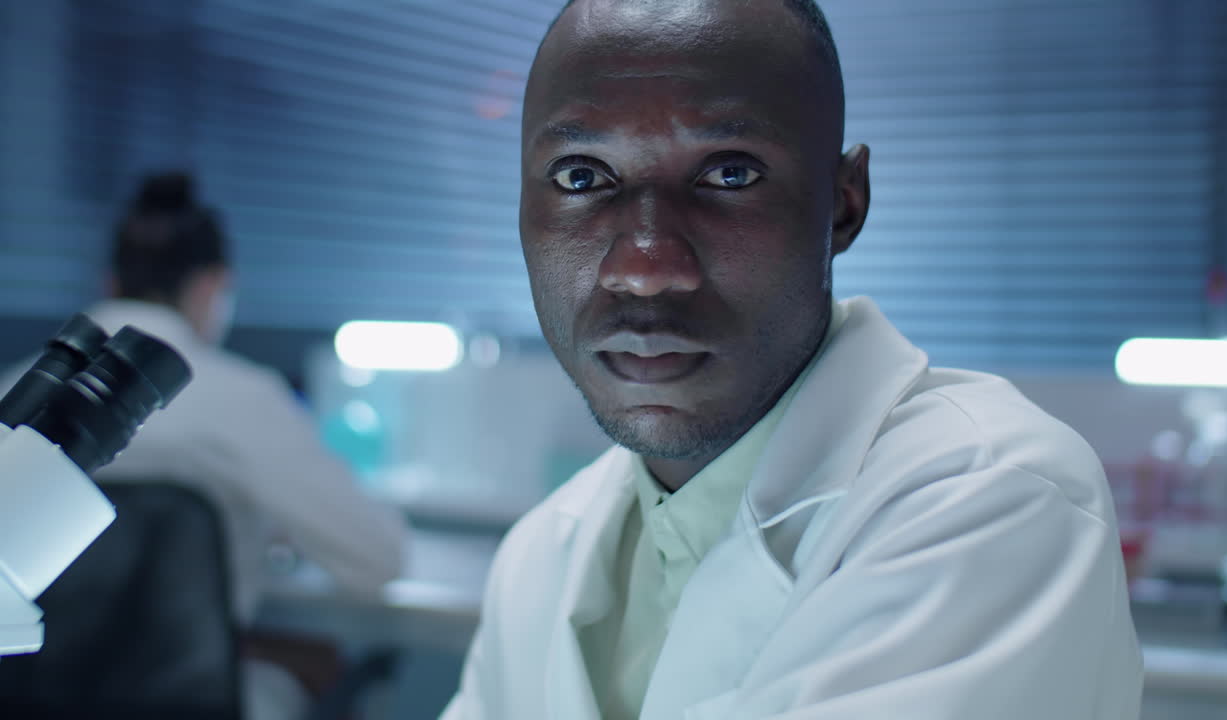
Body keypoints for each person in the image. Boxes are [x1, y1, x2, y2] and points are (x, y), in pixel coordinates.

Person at [442, 1, 1143, 718]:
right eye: (581, 178)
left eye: (730, 175)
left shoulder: (996, 498)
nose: (646, 266)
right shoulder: (541, 555)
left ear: (843, 206)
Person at [4, 172, 408, 719]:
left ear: (108, 281)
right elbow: (377, 558)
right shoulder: (242, 397)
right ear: (213, 287)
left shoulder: (14, 390)